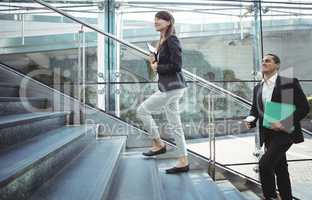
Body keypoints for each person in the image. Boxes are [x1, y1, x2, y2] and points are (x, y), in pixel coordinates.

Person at [245, 54, 309, 200]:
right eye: (262, 61)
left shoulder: (287, 83)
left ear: (277, 65)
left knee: (264, 165)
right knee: (280, 168)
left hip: (285, 132)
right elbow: (254, 109)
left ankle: (270, 197)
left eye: (267, 60)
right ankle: (287, 197)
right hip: (267, 134)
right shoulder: (258, 88)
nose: (264, 63)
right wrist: (250, 119)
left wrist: (284, 121)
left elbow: (303, 107)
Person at [137, 11, 189, 174]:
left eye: (159, 19)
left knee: (142, 111)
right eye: (155, 19)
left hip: (171, 88)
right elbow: (163, 64)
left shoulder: (172, 39)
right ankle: (183, 160)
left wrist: (157, 67)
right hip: (171, 87)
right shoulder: (162, 40)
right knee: (176, 126)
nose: (156, 21)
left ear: (168, 22)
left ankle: (159, 144)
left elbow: (177, 65)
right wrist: (154, 60)